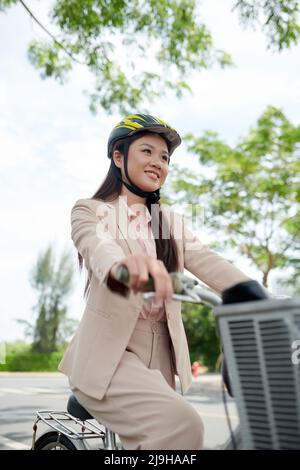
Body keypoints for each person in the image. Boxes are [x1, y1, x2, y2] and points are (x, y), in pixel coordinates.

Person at [58, 113, 252, 450]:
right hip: (109, 356)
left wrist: (259, 294)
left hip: (161, 355)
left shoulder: (169, 224)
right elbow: (96, 246)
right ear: (119, 157)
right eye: (146, 151)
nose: (158, 163)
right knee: (182, 424)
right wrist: (124, 268)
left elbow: (207, 260)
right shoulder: (92, 211)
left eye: (164, 157)